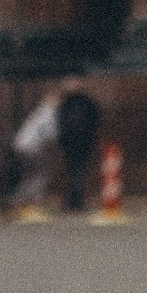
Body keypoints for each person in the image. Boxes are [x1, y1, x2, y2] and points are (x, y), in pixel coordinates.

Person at [53, 78, 101, 215]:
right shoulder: (79, 102)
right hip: (77, 141)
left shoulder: (70, 103)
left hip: (76, 141)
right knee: (76, 171)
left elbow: (61, 122)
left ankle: (74, 200)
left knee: (75, 171)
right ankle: (74, 200)